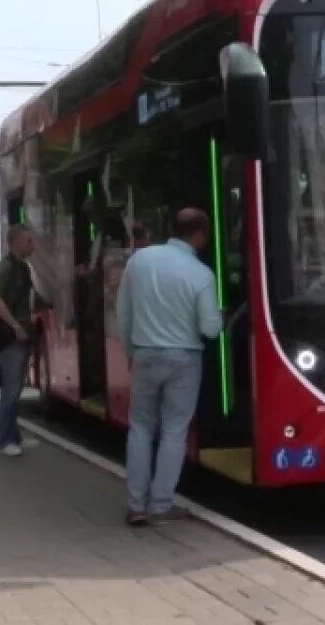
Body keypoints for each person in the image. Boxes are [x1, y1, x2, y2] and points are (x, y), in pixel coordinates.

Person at [116, 208, 223, 527]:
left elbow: (123, 312)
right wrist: (220, 315)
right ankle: (161, 504)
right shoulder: (201, 274)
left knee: (140, 428)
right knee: (174, 431)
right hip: (183, 359)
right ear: (200, 235)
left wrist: (131, 350)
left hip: (145, 354)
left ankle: (136, 504)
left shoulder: (140, 261)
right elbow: (210, 329)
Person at [0, 224, 38, 457]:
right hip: (11, 338)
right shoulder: (6, 268)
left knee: (16, 388)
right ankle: (5, 439)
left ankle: (14, 435)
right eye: (28, 241)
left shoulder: (22, 267)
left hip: (21, 335)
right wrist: (15, 326)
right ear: (15, 242)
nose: (32, 245)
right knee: (11, 389)